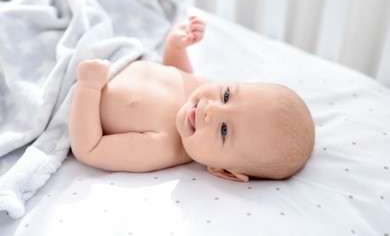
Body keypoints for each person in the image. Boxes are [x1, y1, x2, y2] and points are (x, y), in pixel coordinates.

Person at [69, 16, 315, 182]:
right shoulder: (203, 87)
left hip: (78, 86)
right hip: (112, 55)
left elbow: (89, 148)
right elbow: (177, 72)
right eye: (227, 95)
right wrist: (176, 46)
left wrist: (88, 87)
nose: (212, 110)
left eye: (224, 130)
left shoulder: (162, 147)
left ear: (225, 171)